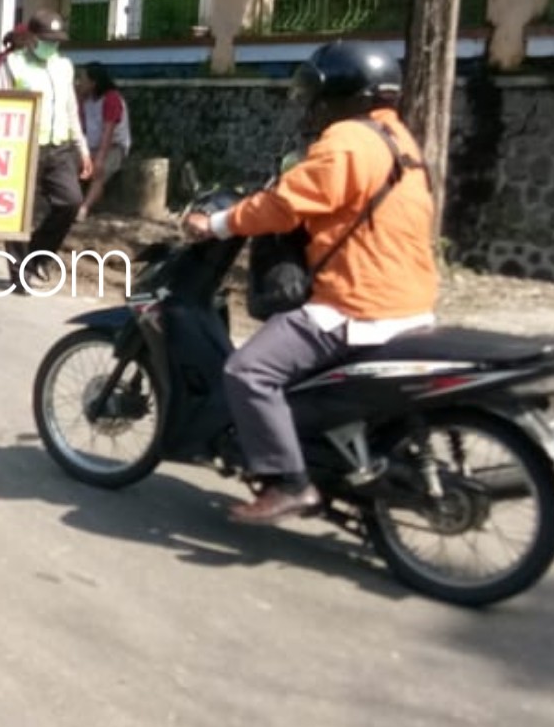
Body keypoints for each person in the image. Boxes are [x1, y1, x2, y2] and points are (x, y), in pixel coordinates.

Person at [183, 41, 438, 524]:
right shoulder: (397, 139)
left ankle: (288, 483)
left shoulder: (346, 142)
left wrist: (216, 224)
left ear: (340, 94)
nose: (312, 106)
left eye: (317, 95)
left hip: (357, 303)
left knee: (248, 371)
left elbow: (283, 205)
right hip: (411, 301)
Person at [0, 8, 93, 291]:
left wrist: (82, 149)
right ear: (33, 38)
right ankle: (18, 271)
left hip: (59, 148)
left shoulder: (63, 67)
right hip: (23, 148)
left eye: (57, 40)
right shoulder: (12, 65)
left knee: (70, 202)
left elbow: (71, 110)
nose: (52, 45)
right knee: (19, 212)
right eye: (47, 39)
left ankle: (36, 257)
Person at [76, 62, 132, 221]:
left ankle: (84, 208)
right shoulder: (83, 100)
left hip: (114, 146)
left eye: (82, 79)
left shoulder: (111, 99)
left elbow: (108, 132)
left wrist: (99, 159)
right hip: (90, 145)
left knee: (100, 171)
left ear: (93, 83)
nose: (78, 83)